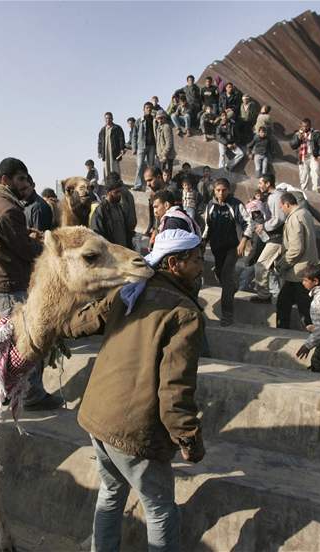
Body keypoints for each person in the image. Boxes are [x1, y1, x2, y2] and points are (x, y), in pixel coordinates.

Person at [60, 229, 205, 552]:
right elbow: (175, 387)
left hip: (97, 415)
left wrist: (56, 321)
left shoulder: (131, 289)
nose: (201, 266)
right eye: (195, 260)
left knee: (111, 494)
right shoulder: (184, 314)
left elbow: (79, 323)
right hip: (132, 427)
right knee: (160, 509)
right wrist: (188, 437)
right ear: (174, 263)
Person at [0, 157, 63, 411]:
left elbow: (11, 241)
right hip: (10, 286)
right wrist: (45, 245)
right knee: (27, 343)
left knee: (5, 344)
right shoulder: (7, 209)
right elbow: (25, 250)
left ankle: (5, 390)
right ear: (5, 180)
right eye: (21, 178)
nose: (26, 184)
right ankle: (31, 394)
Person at [203, 179, 252, 326]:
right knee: (221, 275)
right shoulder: (210, 206)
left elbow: (249, 223)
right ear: (214, 190)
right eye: (218, 190)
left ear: (229, 190)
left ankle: (227, 315)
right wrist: (202, 243)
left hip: (232, 248)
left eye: (224, 190)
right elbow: (207, 226)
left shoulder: (236, 205)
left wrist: (244, 241)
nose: (221, 193)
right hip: (217, 248)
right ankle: (232, 286)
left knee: (225, 275)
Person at [274, 192, 319, 329]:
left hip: (297, 271)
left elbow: (296, 249)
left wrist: (281, 264)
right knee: (289, 302)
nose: (281, 209)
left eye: (281, 207)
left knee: (294, 306)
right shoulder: (305, 213)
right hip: (304, 269)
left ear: (287, 204)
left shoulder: (294, 218)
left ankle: (288, 332)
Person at [251, 174, 286, 304]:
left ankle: (264, 295)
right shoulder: (271, 197)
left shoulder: (276, 197)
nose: (259, 186)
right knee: (276, 270)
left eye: (261, 183)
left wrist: (264, 226)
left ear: (268, 183)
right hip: (274, 237)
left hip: (277, 237)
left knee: (261, 266)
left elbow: (279, 218)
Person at [90, 174, 133, 249]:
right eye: (116, 192)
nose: (119, 195)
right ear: (109, 192)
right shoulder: (100, 211)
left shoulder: (119, 208)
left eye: (120, 192)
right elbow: (97, 235)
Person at [289, 118, 320, 192]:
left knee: (315, 172)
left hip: (313, 156)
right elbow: (293, 145)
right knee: (303, 175)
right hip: (302, 157)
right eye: (303, 126)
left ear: (309, 125)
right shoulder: (298, 134)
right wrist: (298, 139)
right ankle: (304, 191)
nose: (304, 128)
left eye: (306, 126)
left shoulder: (316, 133)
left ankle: (316, 189)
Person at [132, 102, 158, 191]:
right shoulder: (139, 120)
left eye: (150, 108)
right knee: (139, 166)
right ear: (143, 109)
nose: (149, 109)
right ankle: (138, 185)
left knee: (151, 166)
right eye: (147, 108)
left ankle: (150, 186)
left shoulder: (155, 120)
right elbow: (134, 135)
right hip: (141, 146)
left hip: (152, 146)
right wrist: (134, 147)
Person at [98, 112, 126, 179]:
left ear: (112, 119)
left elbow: (121, 139)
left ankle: (117, 181)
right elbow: (100, 141)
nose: (108, 119)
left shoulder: (117, 128)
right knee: (106, 167)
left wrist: (122, 148)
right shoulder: (102, 130)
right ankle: (107, 182)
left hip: (114, 151)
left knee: (115, 167)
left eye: (109, 118)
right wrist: (99, 152)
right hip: (105, 152)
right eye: (106, 118)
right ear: (104, 119)